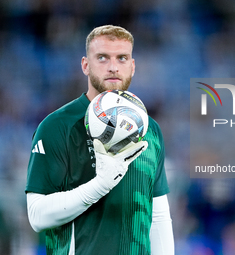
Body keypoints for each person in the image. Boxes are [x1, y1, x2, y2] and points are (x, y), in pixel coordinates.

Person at [26, 25, 174, 255]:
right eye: (103, 58)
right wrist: (99, 186)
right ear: (85, 65)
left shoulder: (150, 128)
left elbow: (158, 214)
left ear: (132, 67)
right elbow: (37, 216)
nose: (113, 67)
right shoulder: (57, 126)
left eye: (122, 58)